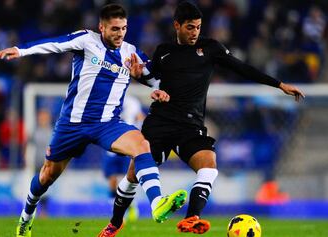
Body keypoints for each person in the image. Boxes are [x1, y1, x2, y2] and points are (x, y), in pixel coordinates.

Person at [99, 1, 305, 236]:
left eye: (198, 27)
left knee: (209, 164)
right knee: (133, 174)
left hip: (190, 125)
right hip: (161, 123)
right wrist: (139, 76)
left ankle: (191, 218)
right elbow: (153, 80)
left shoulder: (211, 48)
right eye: (190, 27)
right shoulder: (164, 51)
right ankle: (115, 223)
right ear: (177, 25)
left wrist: (279, 85)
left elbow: (243, 68)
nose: (195, 32)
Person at [0, 4, 187, 237]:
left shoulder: (131, 53)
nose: (120, 34)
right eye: (115, 29)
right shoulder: (86, 40)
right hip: (72, 124)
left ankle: (157, 204)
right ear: (101, 27)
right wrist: (21, 50)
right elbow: (55, 43)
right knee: (47, 175)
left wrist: (157, 89)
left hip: (107, 124)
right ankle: (26, 217)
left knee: (142, 145)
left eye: (124, 28)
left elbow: (154, 80)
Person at [101, 95, 144, 222]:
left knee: (127, 180)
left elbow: (140, 117)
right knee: (112, 181)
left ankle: (132, 206)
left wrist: (137, 131)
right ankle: (115, 213)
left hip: (126, 146)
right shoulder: (107, 99)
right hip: (110, 147)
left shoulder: (132, 102)